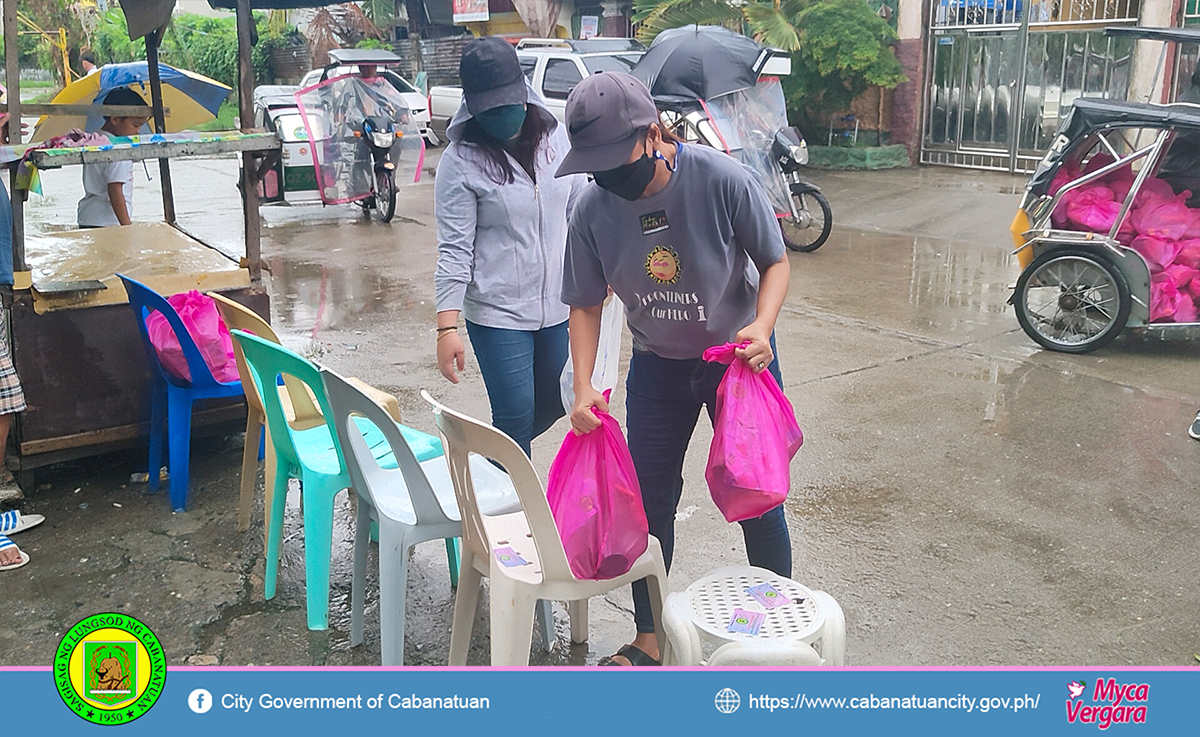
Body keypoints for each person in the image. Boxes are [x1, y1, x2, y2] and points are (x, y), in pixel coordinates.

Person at [556, 72, 793, 666]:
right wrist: (583, 384)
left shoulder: (722, 180)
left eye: (617, 160)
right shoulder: (590, 207)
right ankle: (650, 636)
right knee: (650, 501)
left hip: (735, 363)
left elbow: (775, 262)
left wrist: (761, 328)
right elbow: (586, 303)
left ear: (653, 133)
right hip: (658, 368)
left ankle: (772, 629)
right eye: (596, 165)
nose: (610, 177)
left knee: (758, 494)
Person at [434, 37, 585, 456]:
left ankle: (486, 464)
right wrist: (447, 327)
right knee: (515, 414)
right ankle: (510, 515)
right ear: (473, 107)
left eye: (508, 102)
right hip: (497, 313)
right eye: (491, 109)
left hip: (558, 305)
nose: (503, 115)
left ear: (524, 91)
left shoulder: (557, 142)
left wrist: (599, 272)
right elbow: (455, 248)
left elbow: (579, 215)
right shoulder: (461, 161)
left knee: (559, 400)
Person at [77, 88, 149, 228]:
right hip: (109, 221)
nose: (138, 131)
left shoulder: (96, 139)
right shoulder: (118, 147)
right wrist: (127, 227)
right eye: (135, 125)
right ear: (115, 119)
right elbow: (115, 190)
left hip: (89, 218)